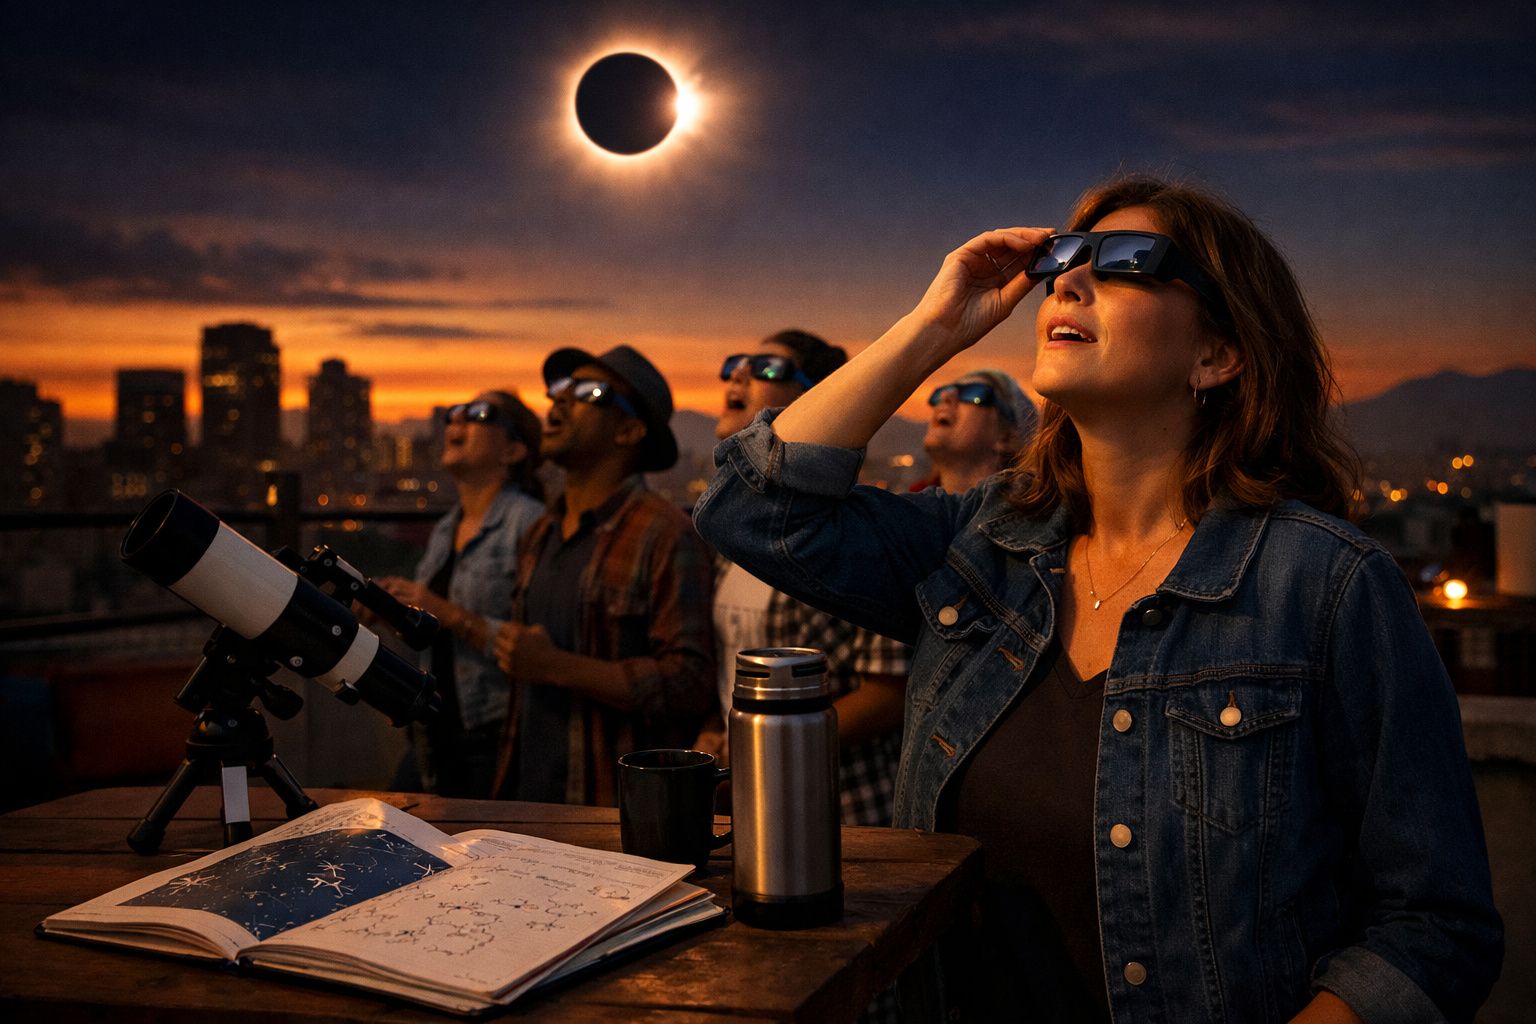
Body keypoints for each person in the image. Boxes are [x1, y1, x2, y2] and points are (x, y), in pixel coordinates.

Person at [695, 175, 1502, 1022]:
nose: (1068, 281)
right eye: (1066, 259)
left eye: (1125, 261)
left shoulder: (1326, 584)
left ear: (1216, 355)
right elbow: (750, 510)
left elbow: (1434, 927)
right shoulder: (979, 546)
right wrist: (933, 326)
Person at [699, 329, 908, 827]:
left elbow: (890, 692)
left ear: (818, 398)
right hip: (753, 800)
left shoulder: (846, 527)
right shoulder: (735, 532)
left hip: (841, 807)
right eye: (736, 363)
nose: (742, 374)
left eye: (769, 367)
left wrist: (762, 743)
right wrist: (721, 734)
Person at [491, 344, 715, 806]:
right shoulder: (540, 533)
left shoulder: (664, 535)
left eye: (590, 392)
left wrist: (555, 666)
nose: (561, 402)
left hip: (612, 811)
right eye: (559, 390)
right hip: (529, 799)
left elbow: (690, 683)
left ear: (630, 430)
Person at [376, 390, 545, 798]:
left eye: (479, 414)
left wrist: (440, 610)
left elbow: (538, 642)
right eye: (454, 413)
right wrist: (392, 610)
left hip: (494, 732)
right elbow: (433, 628)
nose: (458, 422)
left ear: (513, 450)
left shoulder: (529, 523)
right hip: (433, 727)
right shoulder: (445, 529)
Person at [917, 368, 1035, 492]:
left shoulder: (1032, 511)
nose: (945, 396)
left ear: (1006, 438)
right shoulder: (908, 506)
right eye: (940, 393)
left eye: (972, 392)